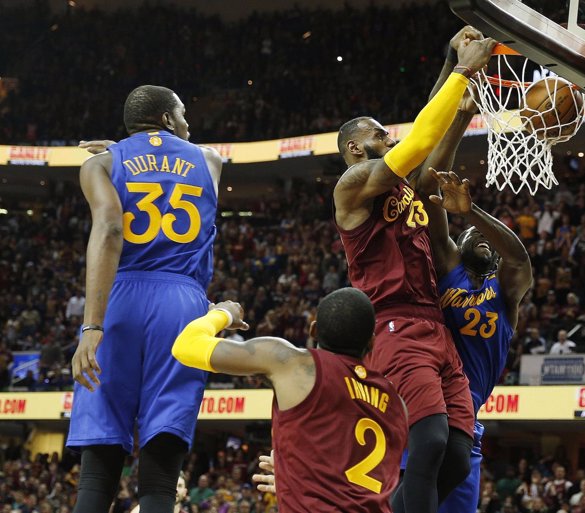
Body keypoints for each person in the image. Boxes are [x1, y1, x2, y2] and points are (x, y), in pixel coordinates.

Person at [332, 28, 496, 513]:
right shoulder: (354, 185)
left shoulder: (399, 185)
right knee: (426, 445)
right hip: (395, 323)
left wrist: (449, 59)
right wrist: (465, 70)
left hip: (434, 324)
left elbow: (424, 132)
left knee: (458, 459)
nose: (390, 137)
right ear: (356, 149)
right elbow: (422, 136)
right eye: (378, 134)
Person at [67, 85, 223, 513]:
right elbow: (169, 164)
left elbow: (111, 230)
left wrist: (92, 326)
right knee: (160, 472)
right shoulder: (210, 160)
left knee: (99, 465)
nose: (189, 123)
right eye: (184, 113)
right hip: (182, 301)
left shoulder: (100, 164)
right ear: (170, 119)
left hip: (119, 298)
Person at [171, 287, 408, 513]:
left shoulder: (295, 364)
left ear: (313, 330)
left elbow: (186, 346)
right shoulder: (397, 403)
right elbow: (359, 471)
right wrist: (299, 477)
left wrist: (222, 314)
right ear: (372, 342)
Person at [419, 169, 531, 513]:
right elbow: (430, 206)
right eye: (474, 234)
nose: (482, 237)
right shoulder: (448, 268)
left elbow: (518, 258)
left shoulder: (504, 292)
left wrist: (471, 213)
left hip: (466, 419)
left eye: (488, 237)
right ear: (460, 245)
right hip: (424, 407)